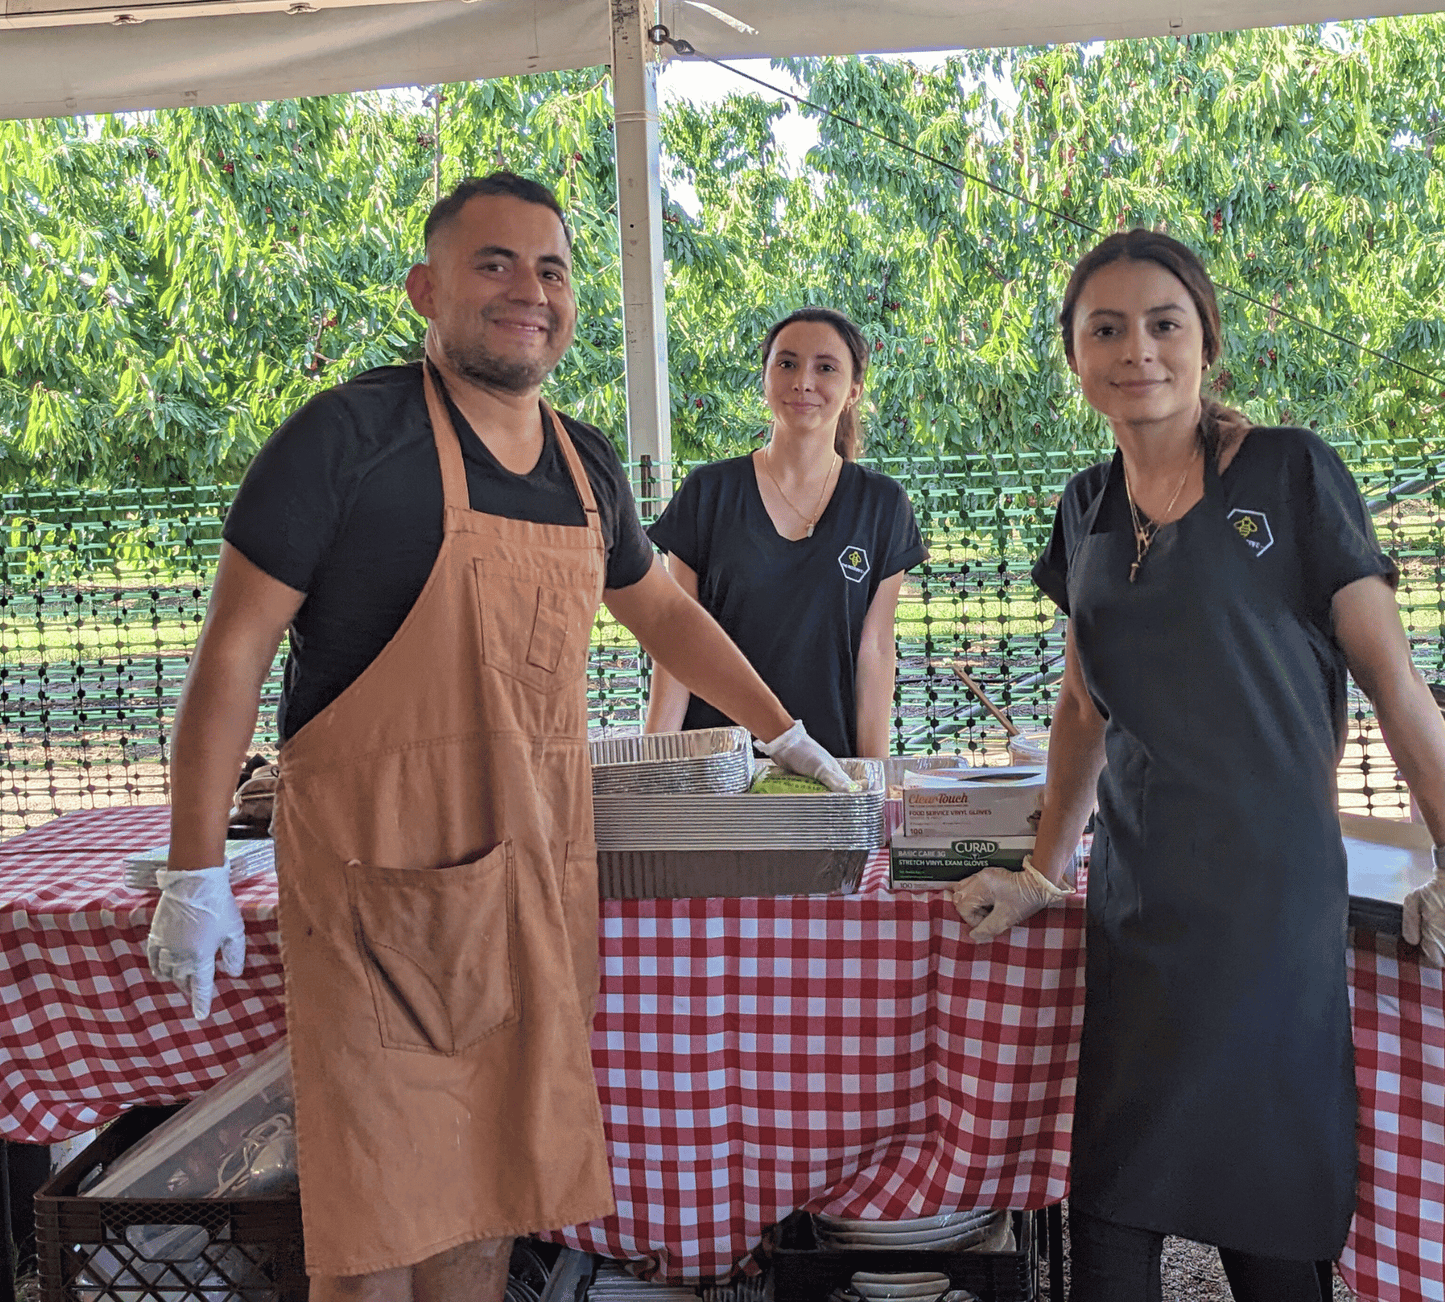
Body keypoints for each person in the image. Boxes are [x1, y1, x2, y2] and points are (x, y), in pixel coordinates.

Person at [144, 173, 853, 1302]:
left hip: (528, 895)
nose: (530, 289)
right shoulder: (345, 438)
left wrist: (783, 730)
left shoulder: (584, 466)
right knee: (375, 1227)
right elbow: (230, 651)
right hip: (379, 901)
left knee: (489, 1207)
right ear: (426, 287)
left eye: (552, 267)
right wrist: (193, 870)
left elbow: (661, 610)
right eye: (495, 263)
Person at [950, 229, 1445, 1302]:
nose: (1138, 350)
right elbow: (1082, 704)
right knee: (1113, 1205)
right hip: (1136, 906)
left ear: (1205, 341)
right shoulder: (1082, 506)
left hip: (1268, 911)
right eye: (1105, 328)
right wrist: (1042, 874)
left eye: (1162, 323)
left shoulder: (1291, 471)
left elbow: (1395, 687)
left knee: (1267, 1212)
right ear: (1073, 357)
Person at [644, 307, 927, 757]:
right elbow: (677, 640)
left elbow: (874, 652)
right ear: (765, 378)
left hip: (830, 775)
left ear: (853, 391)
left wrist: (873, 782)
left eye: (826, 367)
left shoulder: (881, 505)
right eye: (787, 363)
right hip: (718, 773)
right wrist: (653, 763)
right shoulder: (709, 493)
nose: (803, 382)